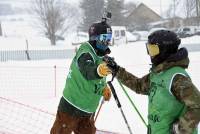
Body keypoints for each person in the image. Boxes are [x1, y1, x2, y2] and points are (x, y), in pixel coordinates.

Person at [105, 30, 200, 134]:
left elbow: (197, 104)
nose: (150, 54)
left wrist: (181, 128)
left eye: (153, 50)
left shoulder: (177, 77)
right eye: (149, 49)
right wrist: (117, 70)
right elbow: (139, 85)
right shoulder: (158, 74)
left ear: (165, 50)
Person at [50, 20, 113, 134]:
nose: (107, 42)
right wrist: (98, 71)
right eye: (104, 38)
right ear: (95, 38)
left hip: (88, 111)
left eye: (109, 38)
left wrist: (103, 88)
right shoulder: (85, 53)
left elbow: (97, 80)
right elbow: (88, 71)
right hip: (71, 107)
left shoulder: (101, 56)